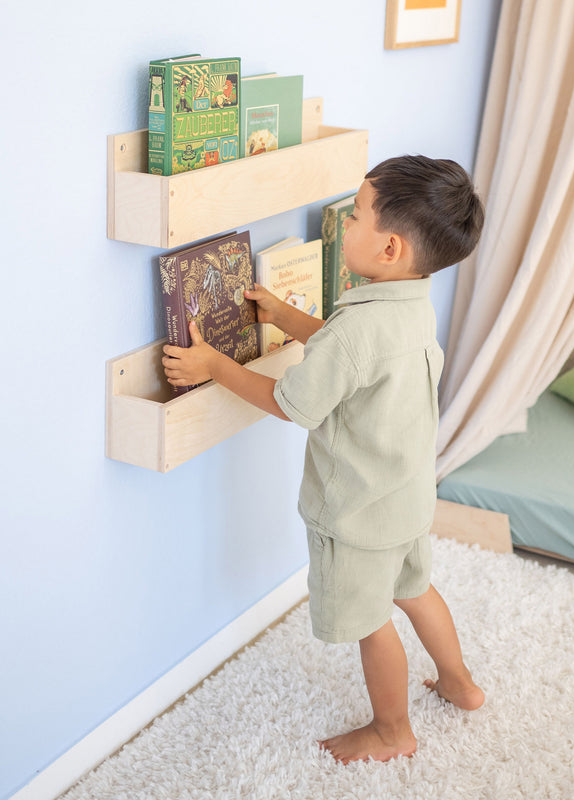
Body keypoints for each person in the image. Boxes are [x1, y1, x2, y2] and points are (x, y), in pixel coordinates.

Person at [161, 155, 486, 765]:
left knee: (372, 622)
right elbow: (349, 350)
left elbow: (291, 403)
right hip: (408, 498)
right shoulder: (411, 305)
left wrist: (214, 367)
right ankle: (460, 684)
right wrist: (284, 315)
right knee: (415, 590)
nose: (347, 223)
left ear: (388, 248)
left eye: (356, 214)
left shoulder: (354, 333)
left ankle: (393, 730)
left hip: (358, 515)